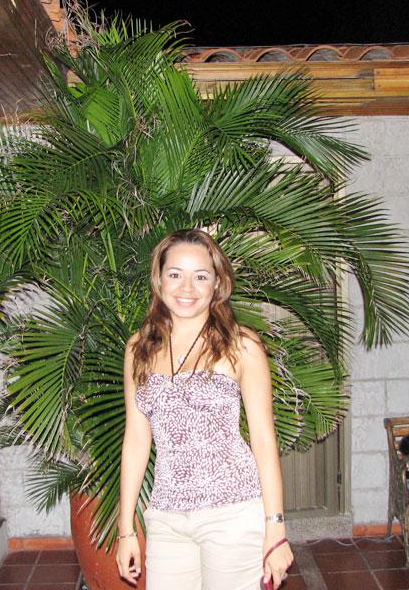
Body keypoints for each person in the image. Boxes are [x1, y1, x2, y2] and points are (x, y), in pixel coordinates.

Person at [115, 229, 294, 589]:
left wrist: (275, 527)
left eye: (200, 276)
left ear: (217, 284)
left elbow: (263, 440)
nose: (187, 288)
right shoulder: (139, 349)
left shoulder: (241, 346)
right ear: (159, 280)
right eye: (175, 274)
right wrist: (125, 529)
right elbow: (136, 440)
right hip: (166, 517)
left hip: (233, 513)